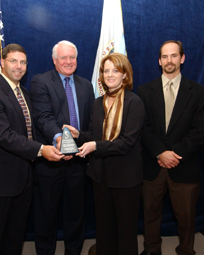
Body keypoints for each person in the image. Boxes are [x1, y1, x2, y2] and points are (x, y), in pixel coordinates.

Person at [0, 44, 64, 255]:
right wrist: (42, 150)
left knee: (14, 239)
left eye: (23, 62)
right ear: (2, 63)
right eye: (13, 61)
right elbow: (3, 135)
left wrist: (62, 135)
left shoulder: (24, 93)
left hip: (23, 180)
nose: (19, 66)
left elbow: (31, 129)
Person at [65, 52, 145, 255]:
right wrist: (79, 135)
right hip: (100, 176)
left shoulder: (134, 103)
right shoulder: (98, 102)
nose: (110, 75)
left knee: (126, 232)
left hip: (126, 178)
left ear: (125, 75)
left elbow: (126, 143)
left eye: (115, 71)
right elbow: (94, 135)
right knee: (104, 230)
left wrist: (95, 147)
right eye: (106, 71)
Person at [137, 40, 204, 255]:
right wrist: (160, 152)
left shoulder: (198, 92)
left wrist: (174, 155)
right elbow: (142, 128)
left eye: (174, 55)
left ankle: (186, 250)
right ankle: (151, 249)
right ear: (159, 61)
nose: (169, 60)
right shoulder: (144, 91)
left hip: (184, 166)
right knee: (150, 214)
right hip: (152, 165)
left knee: (186, 216)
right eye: (165, 56)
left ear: (182, 58)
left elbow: (199, 131)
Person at [30, 40, 95, 255]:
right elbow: (43, 117)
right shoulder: (41, 81)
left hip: (79, 162)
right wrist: (60, 139)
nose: (68, 61)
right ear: (54, 60)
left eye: (72, 57)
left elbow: (90, 123)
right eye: (63, 57)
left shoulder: (86, 84)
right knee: (46, 217)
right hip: (52, 161)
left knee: (76, 216)